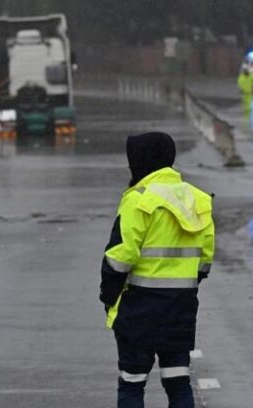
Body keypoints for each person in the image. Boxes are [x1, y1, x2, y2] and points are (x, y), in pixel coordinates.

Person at [99, 132, 215, 408]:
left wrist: (108, 295)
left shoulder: (138, 199)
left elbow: (120, 257)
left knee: (132, 382)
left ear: (141, 162)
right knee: (178, 381)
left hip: (139, 306)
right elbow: (205, 257)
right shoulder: (198, 199)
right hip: (181, 307)